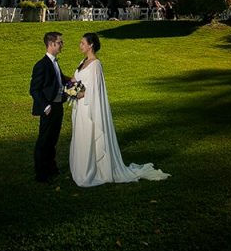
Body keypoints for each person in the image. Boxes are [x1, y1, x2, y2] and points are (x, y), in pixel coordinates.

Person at [69, 33, 169, 186]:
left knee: (89, 136)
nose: (80, 45)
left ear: (91, 45)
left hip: (89, 105)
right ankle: (81, 168)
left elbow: (96, 90)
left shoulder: (96, 65)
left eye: (82, 43)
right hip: (80, 107)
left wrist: (79, 94)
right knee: (81, 135)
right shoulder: (82, 62)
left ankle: (92, 171)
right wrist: (70, 89)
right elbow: (75, 80)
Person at [29, 32, 72, 182]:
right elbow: (34, 89)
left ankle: (51, 168)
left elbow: (58, 79)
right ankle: (41, 174)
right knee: (44, 140)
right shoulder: (41, 65)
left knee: (53, 139)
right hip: (49, 108)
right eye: (60, 42)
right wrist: (46, 106)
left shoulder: (54, 62)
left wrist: (72, 80)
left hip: (58, 105)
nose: (62, 45)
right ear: (52, 44)